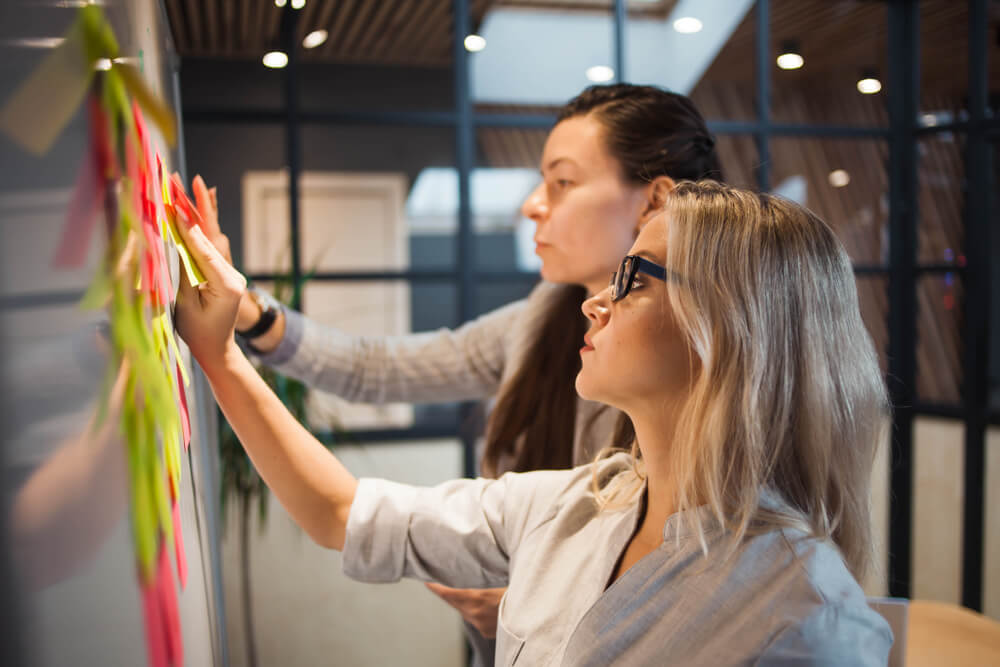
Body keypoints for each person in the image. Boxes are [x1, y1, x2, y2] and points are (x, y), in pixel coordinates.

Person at [174, 179, 894, 665]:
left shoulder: (810, 620)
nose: (595, 303)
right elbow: (342, 511)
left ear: (732, 329)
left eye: (633, 279)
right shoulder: (575, 503)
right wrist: (221, 358)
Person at [191, 84, 723, 661]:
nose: (532, 205)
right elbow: (352, 481)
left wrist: (545, 596)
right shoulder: (544, 334)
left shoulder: (709, 439)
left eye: (562, 183)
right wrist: (246, 316)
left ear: (655, 201)